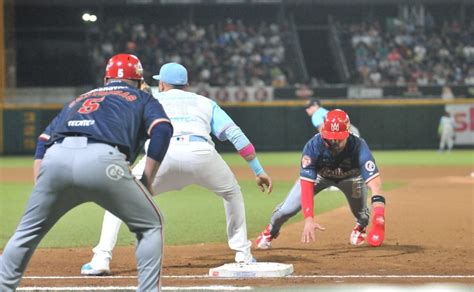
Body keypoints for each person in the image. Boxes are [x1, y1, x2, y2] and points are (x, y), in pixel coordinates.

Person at [0, 54, 173, 291]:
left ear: (106, 79)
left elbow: (42, 141)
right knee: (151, 224)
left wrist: (43, 185)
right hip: (103, 161)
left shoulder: (79, 100)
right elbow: (162, 130)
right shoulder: (142, 97)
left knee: (25, 234)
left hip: (55, 161)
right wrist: (147, 179)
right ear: (139, 80)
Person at [81, 62, 273, 276]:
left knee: (117, 197)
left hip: (162, 155)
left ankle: (101, 259)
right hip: (201, 154)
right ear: (187, 84)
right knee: (231, 193)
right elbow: (236, 136)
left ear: (161, 83)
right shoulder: (205, 102)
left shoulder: (150, 100)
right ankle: (243, 255)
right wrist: (258, 170)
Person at [255, 109, 385, 249]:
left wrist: (379, 214)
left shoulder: (359, 146)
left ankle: (360, 227)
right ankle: (270, 231)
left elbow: (375, 184)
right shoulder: (313, 147)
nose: (334, 141)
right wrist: (309, 218)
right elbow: (306, 186)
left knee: (362, 215)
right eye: (330, 137)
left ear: (348, 133)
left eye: (339, 137)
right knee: (286, 210)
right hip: (319, 177)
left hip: (351, 178)